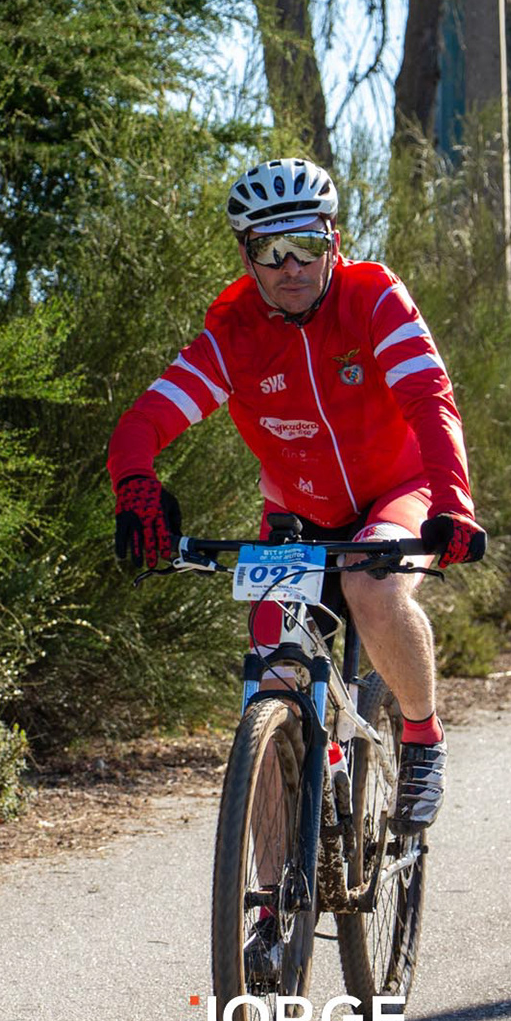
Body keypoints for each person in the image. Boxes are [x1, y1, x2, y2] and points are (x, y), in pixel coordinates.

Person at [107, 157, 484, 832]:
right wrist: (135, 484)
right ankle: (271, 892)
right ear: (245, 255)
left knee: (371, 586)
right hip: (298, 514)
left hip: (400, 489)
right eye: (270, 248)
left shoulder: (374, 299)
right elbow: (144, 422)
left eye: (306, 242)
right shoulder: (233, 334)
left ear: (333, 239)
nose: (291, 266)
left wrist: (454, 504)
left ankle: (423, 737)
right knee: (271, 682)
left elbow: (431, 400)